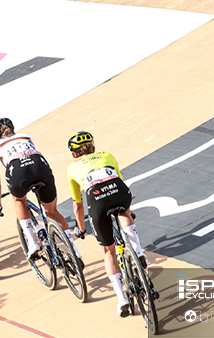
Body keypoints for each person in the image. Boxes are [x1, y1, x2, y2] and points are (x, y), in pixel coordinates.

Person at [66, 131, 146, 318]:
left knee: (109, 251)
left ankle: (122, 300)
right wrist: (127, 208)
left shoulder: (71, 168)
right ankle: (139, 251)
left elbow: (77, 205)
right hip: (119, 191)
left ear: (75, 153)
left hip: (97, 199)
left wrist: (81, 228)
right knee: (124, 211)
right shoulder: (107, 155)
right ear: (93, 146)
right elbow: (119, 181)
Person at [0, 118, 81, 263]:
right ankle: (74, 250)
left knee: (19, 200)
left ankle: (32, 242)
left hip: (18, 171)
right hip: (40, 167)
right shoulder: (26, 136)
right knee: (53, 212)